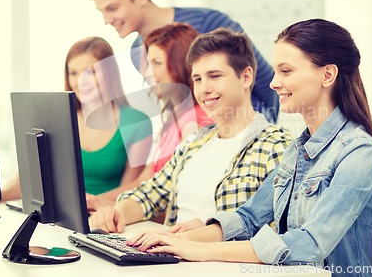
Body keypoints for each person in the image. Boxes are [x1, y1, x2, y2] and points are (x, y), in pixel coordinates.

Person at [132, 19, 372, 277]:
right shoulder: (298, 150)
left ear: (327, 74)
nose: (273, 83)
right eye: (275, 71)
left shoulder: (358, 151)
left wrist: (200, 250)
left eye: (286, 71)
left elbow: (310, 243)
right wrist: (172, 238)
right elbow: (247, 218)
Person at [89, 28, 292, 233]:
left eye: (214, 76)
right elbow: (149, 194)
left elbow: (279, 233)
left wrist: (206, 232)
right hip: (169, 257)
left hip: (217, 262)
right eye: (197, 79)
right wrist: (118, 212)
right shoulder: (194, 143)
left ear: (246, 77)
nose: (204, 89)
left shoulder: (276, 146)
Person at [0, 37, 153, 212]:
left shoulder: (137, 122)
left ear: (110, 72)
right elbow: (33, 177)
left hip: (106, 218)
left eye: (90, 72)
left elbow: (132, 188)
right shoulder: (57, 119)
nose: (80, 81)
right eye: (73, 73)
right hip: (60, 217)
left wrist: (90, 203)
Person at [88, 0, 279, 123]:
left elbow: (267, 87)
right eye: (101, 11)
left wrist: (252, 139)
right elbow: (176, 109)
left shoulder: (210, 23)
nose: (106, 19)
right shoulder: (137, 52)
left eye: (112, 8)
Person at [142, 22, 213, 175]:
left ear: (180, 64)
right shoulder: (175, 117)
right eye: (148, 63)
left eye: (157, 63)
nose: (147, 72)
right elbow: (146, 179)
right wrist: (97, 200)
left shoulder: (193, 122)